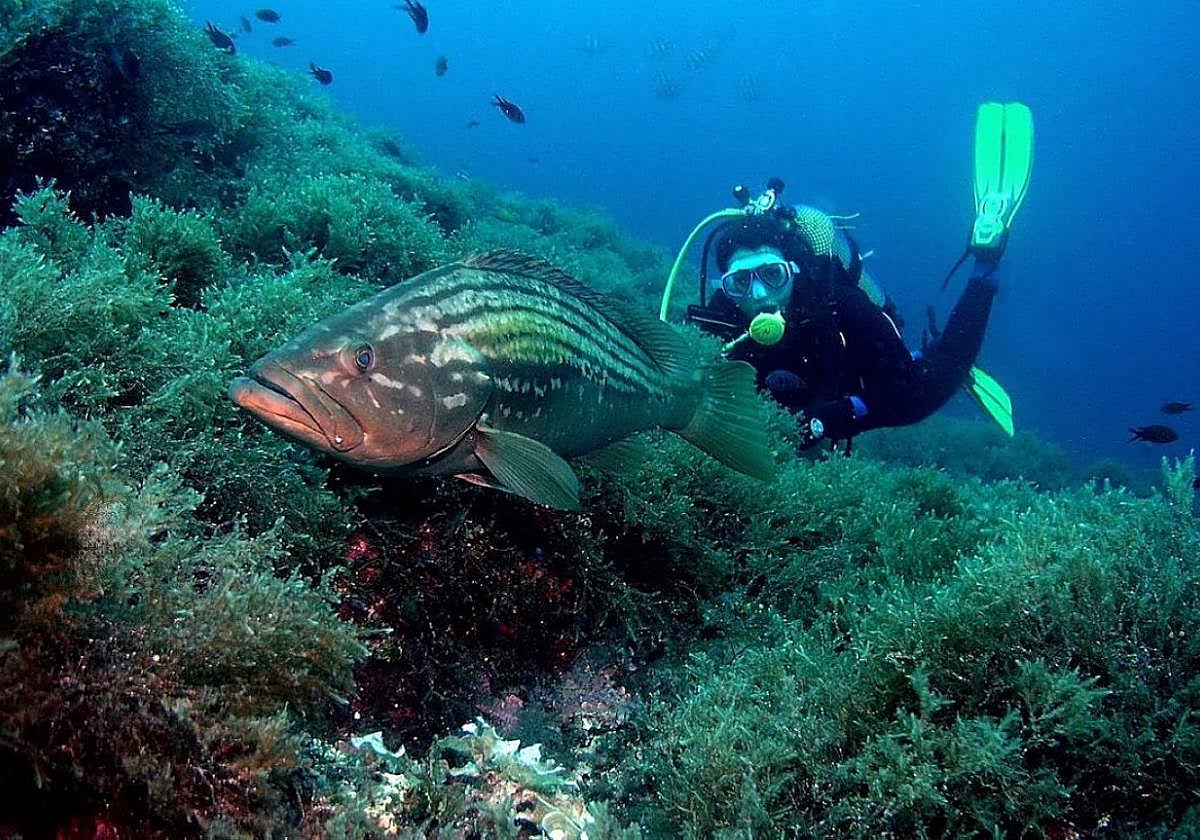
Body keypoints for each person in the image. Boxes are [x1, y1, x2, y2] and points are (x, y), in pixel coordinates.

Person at [667, 102, 1032, 450]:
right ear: (725, 288)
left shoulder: (839, 303)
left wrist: (840, 414)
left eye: (772, 274)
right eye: (741, 282)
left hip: (857, 376)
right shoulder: (717, 323)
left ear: (793, 270)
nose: (760, 294)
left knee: (930, 386)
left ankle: (985, 267)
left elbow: (905, 394)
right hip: (801, 397)